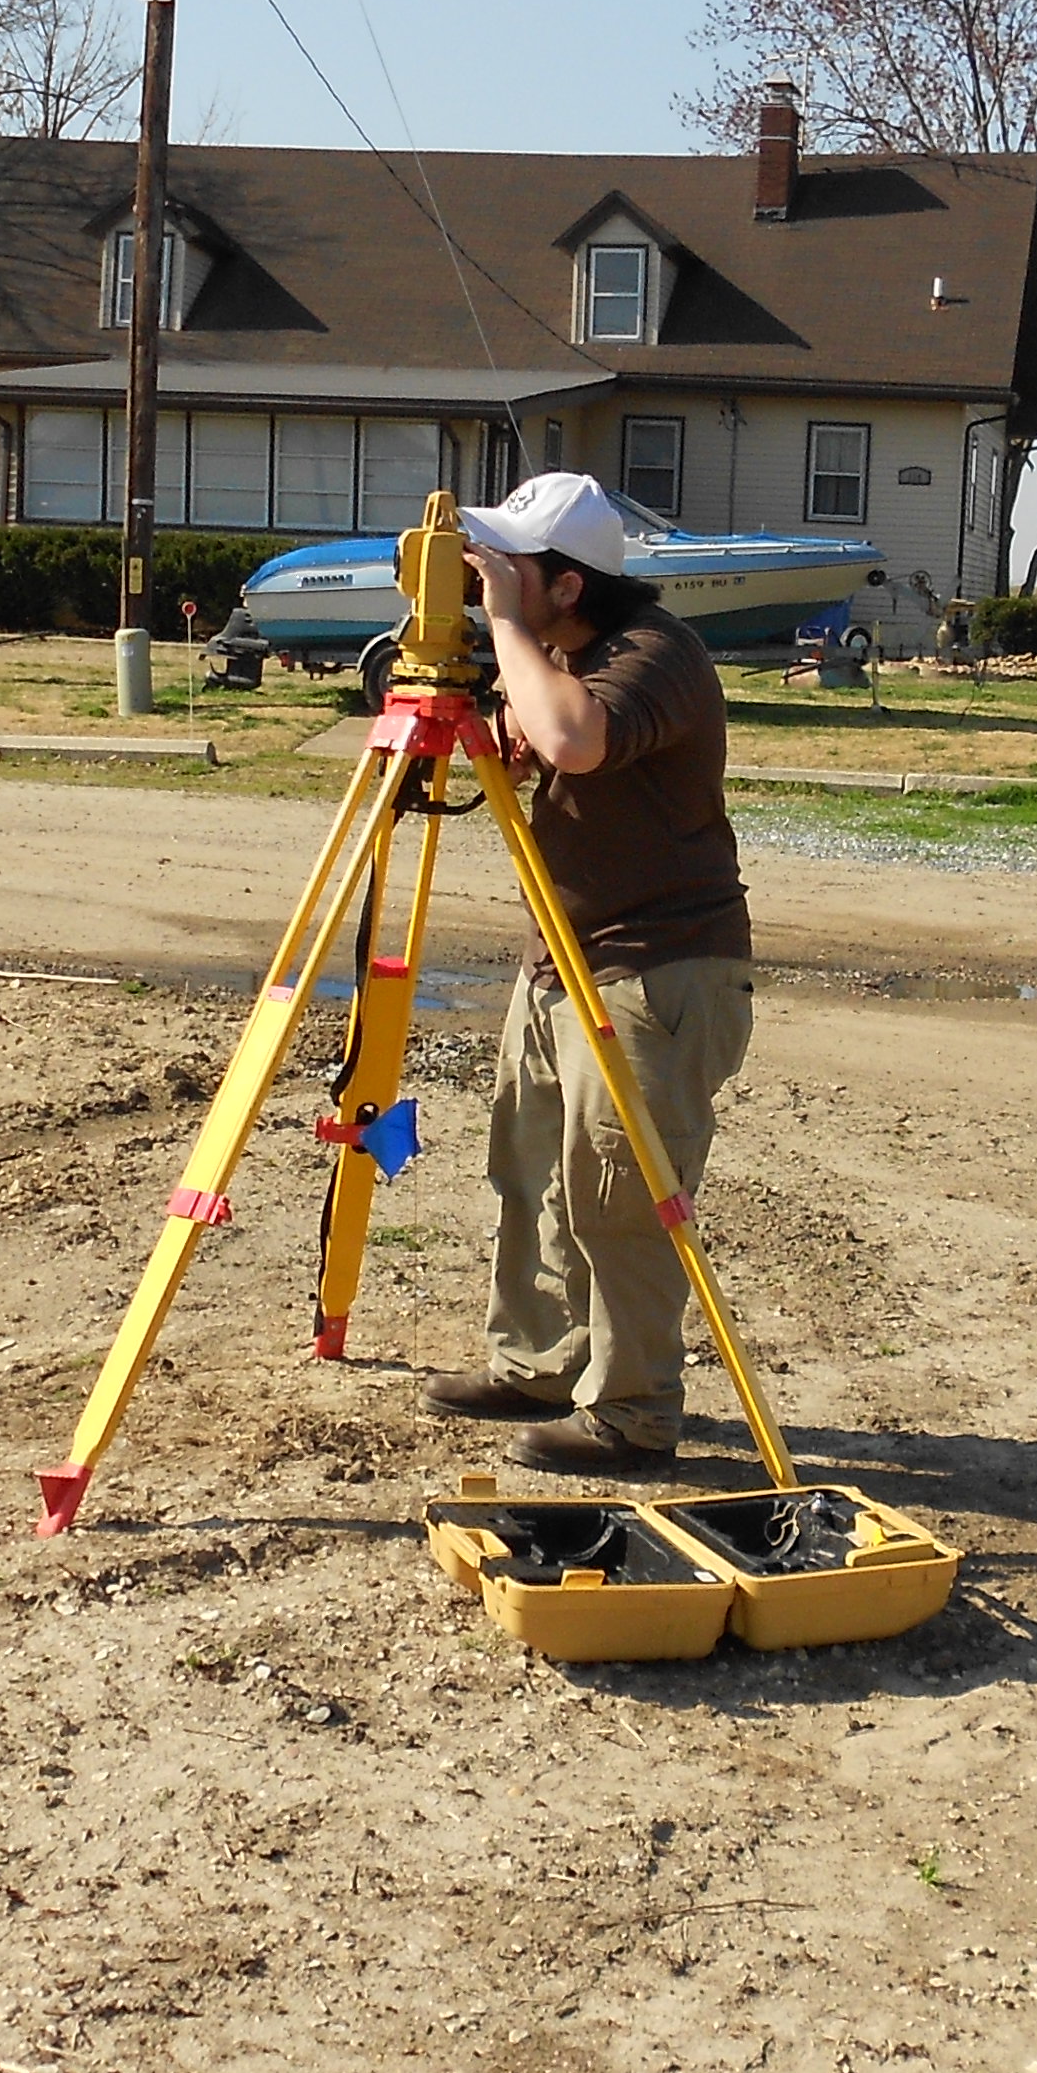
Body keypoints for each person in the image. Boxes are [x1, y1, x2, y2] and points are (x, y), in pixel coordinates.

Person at [422, 469, 756, 1476]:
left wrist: (509, 638)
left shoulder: (659, 656)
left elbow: (573, 732)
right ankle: (536, 1363)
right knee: (534, 1179)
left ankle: (634, 1414)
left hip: (657, 973)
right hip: (562, 967)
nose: (484, 579)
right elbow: (538, 740)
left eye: (504, 567)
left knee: (620, 1195)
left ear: (564, 587)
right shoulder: (571, 657)